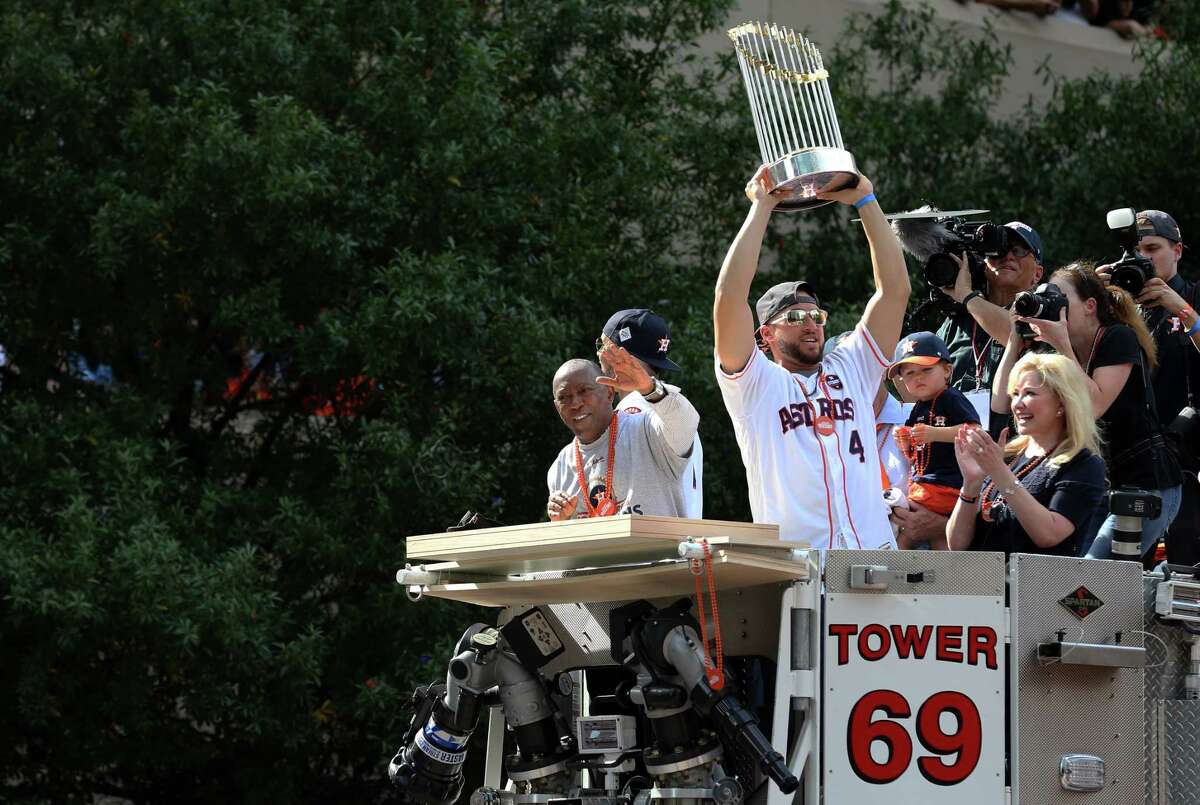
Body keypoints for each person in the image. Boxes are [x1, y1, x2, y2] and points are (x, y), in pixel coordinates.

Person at [713, 166, 910, 549]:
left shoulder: (852, 366)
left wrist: (866, 200)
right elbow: (729, 299)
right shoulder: (756, 385)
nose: (810, 324)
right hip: (800, 565)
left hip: (874, 556)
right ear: (765, 334)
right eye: (795, 317)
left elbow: (895, 291)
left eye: (816, 316)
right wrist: (762, 208)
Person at [993, 262, 1182, 560]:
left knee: (1093, 580)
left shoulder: (1118, 338)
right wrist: (1016, 335)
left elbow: (1093, 405)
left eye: (1061, 297)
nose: (1053, 303)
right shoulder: (1052, 345)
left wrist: (1061, 345)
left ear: (1090, 306)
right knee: (1078, 580)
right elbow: (1000, 402)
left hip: (1145, 486)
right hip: (1095, 486)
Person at [1098, 210, 1200, 563]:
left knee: (1183, 577)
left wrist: (1182, 309)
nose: (1144, 258)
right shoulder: (1115, 307)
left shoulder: (1193, 297)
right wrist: (1089, 298)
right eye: (1136, 250)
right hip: (1127, 464)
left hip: (1187, 461)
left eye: (1153, 247)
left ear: (1178, 251)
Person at [948, 352, 1106, 556]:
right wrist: (971, 484)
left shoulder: (1084, 464)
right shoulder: (1007, 456)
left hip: (1039, 586)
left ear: (1062, 402)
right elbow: (956, 544)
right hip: (983, 584)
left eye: (1030, 393)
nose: (1017, 404)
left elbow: (1049, 534)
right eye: (1015, 394)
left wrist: (998, 472)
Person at [546, 351, 699, 521]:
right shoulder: (559, 469)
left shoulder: (646, 430)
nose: (575, 403)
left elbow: (687, 422)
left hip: (661, 548)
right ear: (557, 408)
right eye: (564, 397)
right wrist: (561, 520)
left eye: (584, 391)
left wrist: (650, 388)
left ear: (609, 392)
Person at [598, 308, 704, 519]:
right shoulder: (668, 408)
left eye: (601, 345)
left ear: (618, 354)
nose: (598, 353)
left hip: (654, 548)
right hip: (680, 545)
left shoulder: (632, 412)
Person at [935, 221, 1046, 394]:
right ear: (985, 265)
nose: (1008, 256)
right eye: (998, 250)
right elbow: (918, 382)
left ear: (1037, 274)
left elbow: (1019, 339)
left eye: (1019, 251)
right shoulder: (957, 320)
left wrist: (966, 295)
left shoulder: (1042, 312)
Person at [890, 332, 981, 516]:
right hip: (924, 483)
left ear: (947, 370)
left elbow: (975, 431)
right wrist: (904, 438)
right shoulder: (918, 407)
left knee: (903, 520)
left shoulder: (951, 397)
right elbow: (915, 447)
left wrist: (936, 433)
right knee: (935, 538)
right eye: (909, 373)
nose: (918, 378)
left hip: (948, 484)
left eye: (926, 369)